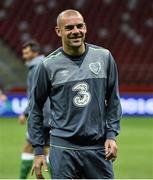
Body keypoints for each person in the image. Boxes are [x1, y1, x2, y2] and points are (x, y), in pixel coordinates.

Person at [28, 9, 122, 179]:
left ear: (85, 28)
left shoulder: (104, 57)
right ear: (59, 31)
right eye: (69, 28)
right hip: (63, 150)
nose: (76, 32)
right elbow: (35, 108)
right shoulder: (48, 65)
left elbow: (114, 101)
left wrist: (111, 135)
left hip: (98, 149)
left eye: (80, 26)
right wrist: (38, 150)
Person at [18, 40, 51, 179]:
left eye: (26, 52)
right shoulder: (45, 64)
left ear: (35, 52)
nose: (24, 55)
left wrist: (25, 113)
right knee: (48, 148)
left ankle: (21, 178)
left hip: (40, 115)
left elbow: (34, 95)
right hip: (50, 115)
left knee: (29, 146)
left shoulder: (36, 68)